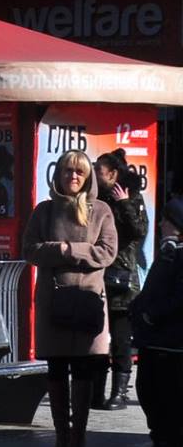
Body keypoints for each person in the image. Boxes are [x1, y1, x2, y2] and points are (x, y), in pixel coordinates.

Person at [23, 149, 119, 447]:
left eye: (79, 172)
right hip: (53, 300)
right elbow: (31, 250)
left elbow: (106, 253)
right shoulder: (44, 211)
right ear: (59, 174)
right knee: (55, 368)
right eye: (68, 171)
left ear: (88, 176)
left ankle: (78, 439)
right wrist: (71, 250)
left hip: (87, 300)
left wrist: (65, 250)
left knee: (82, 369)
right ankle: (61, 437)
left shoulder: (101, 210)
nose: (73, 177)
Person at [127, 197, 183, 447]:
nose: (160, 224)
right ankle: (159, 441)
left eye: (166, 220)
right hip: (152, 339)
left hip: (171, 341)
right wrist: (137, 309)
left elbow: (177, 298)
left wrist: (153, 314)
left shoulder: (179, 254)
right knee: (148, 390)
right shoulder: (169, 252)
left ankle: (171, 446)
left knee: (168, 395)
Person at [93, 149, 148, 408]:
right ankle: (95, 390)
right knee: (96, 338)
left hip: (123, 280)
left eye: (99, 172)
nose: (95, 175)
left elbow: (138, 232)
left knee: (121, 338)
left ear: (113, 174)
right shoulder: (96, 198)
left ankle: (120, 393)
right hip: (96, 277)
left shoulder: (133, 198)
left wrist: (125, 203)